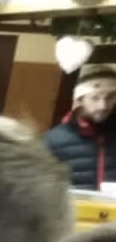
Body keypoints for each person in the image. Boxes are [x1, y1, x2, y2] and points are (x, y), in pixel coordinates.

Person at [41, 59, 113, 192]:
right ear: (80, 99)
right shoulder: (51, 141)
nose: (103, 106)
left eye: (110, 97)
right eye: (95, 98)